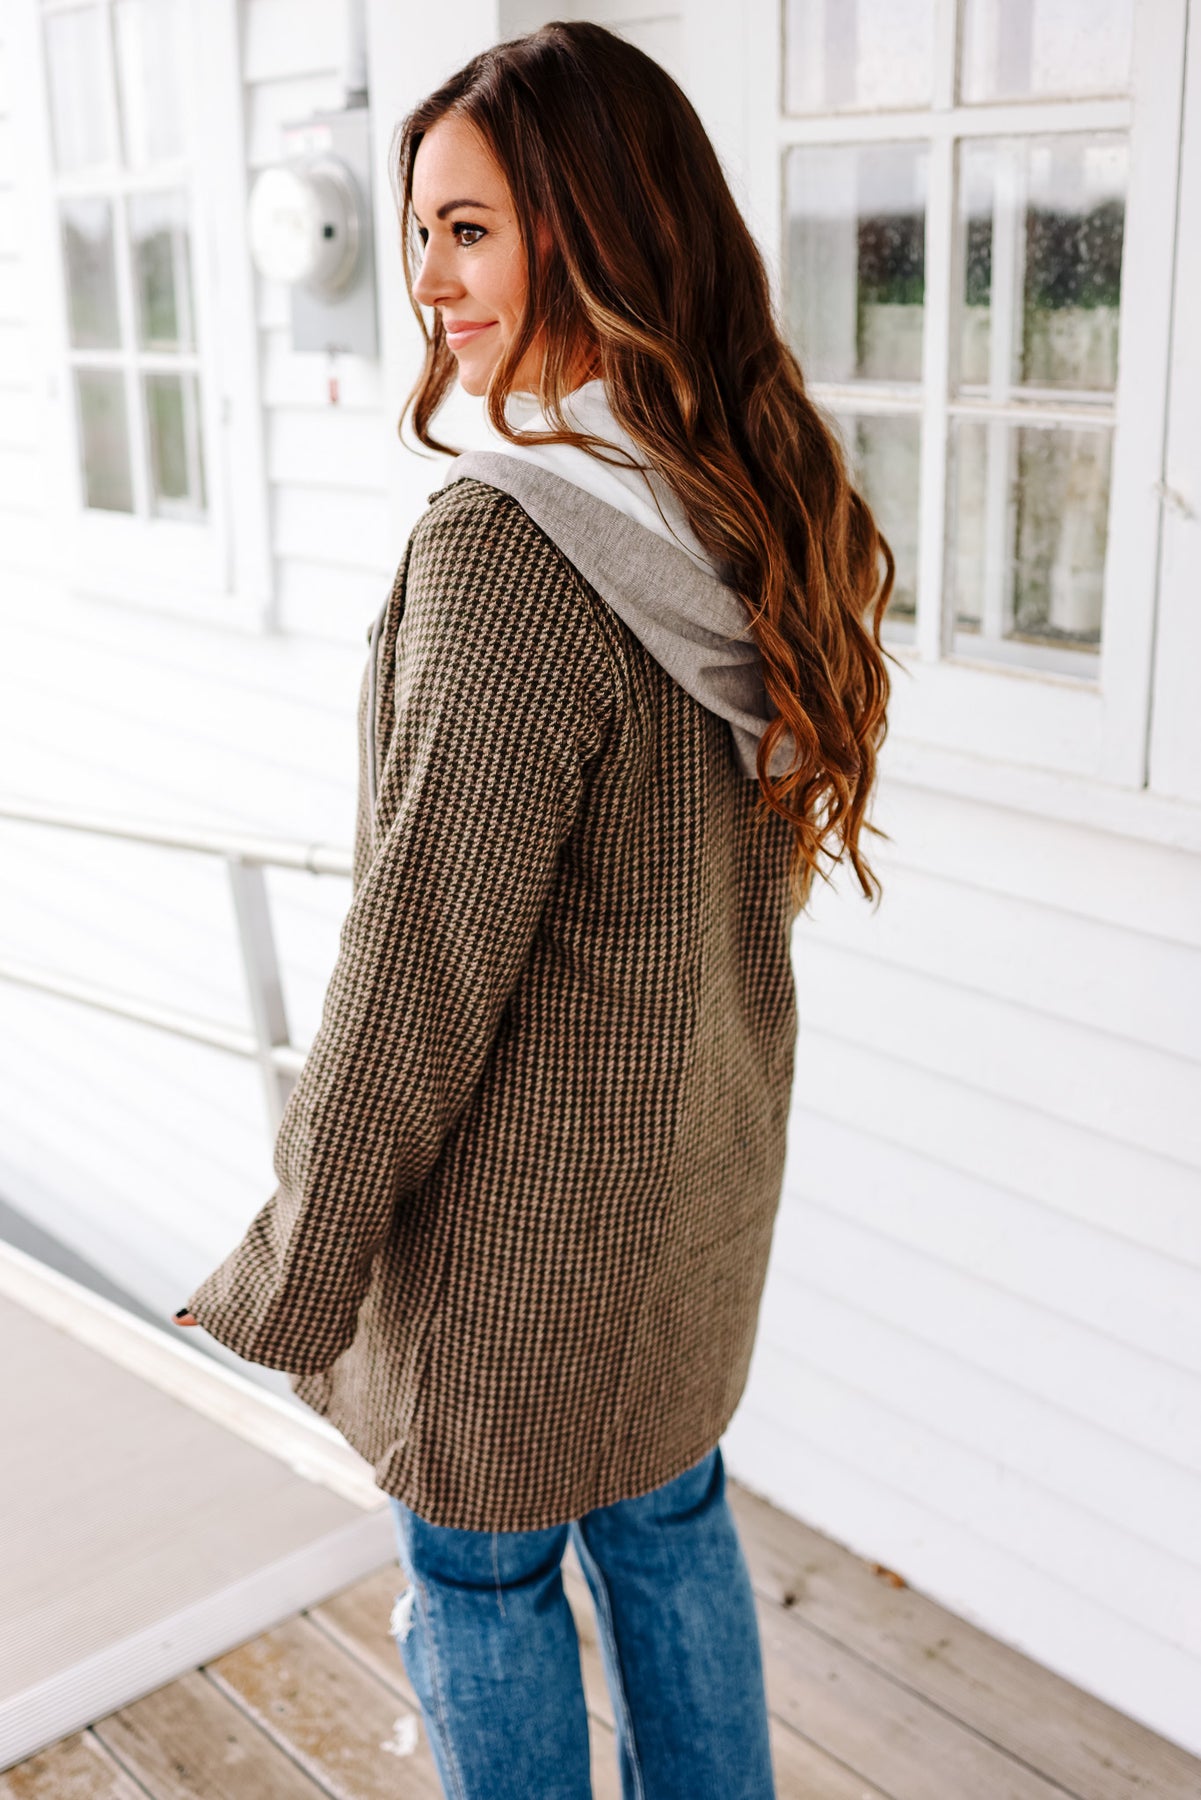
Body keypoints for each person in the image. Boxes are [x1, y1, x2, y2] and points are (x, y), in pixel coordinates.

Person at [174, 20, 895, 1797]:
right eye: (419, 230)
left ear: (595, 226)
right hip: (695, 1198)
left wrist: (294, 1260)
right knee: (670, 1527)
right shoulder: (739, 497)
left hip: (522, 1248)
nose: (427, 279)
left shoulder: (510, 547)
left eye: (471, 229)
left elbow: (416, 969)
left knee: (482, 1581)